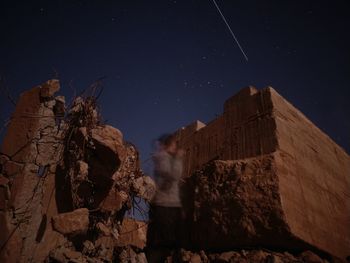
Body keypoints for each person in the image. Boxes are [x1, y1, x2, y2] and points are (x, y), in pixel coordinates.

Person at [146, 133, 184, 263]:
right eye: (174, 144)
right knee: (162, 244)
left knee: (170, 243)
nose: (176, 148)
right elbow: (173, 176)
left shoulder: (163, 157)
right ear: (169, 145)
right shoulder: (163, 157)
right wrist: (178, 160)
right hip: (165, 206)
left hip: (169, 205)